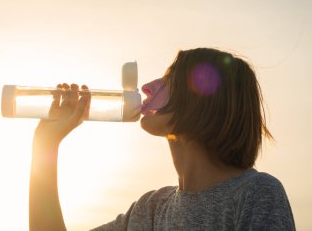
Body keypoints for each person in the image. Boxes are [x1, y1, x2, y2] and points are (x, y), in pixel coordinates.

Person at [29, 48, 296, 231]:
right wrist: (45, 143)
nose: (147, 88)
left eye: (169, 80)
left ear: (203, 98)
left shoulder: (256, 193)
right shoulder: (152, 209)